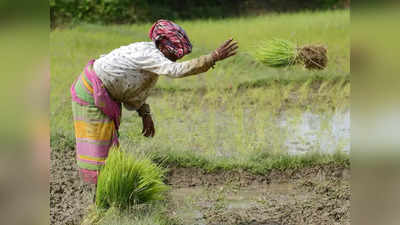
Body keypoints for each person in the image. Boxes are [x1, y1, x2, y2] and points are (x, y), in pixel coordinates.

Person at [70, 19, 238, 185]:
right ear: (162, 45)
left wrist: (145, 113)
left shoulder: (154, 58)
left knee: (106, 147)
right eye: (174, 54)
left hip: (102, 94)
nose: (176, 59)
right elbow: (175, 71)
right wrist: (212, 57)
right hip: (91, 93)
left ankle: (108, 192)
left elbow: (131, 86)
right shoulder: (150, 55)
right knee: (99, 152)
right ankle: (103, 196)